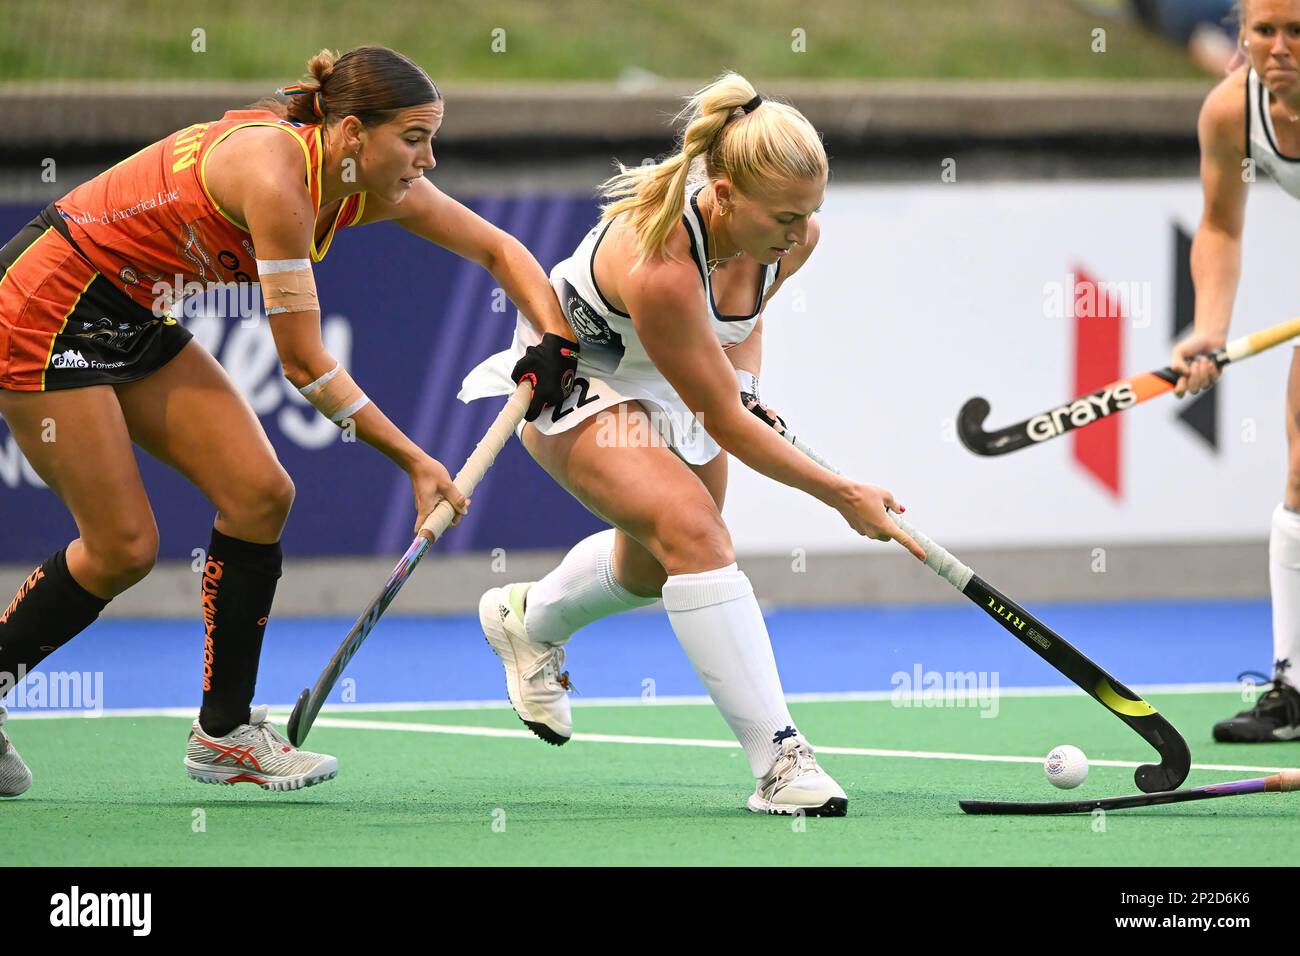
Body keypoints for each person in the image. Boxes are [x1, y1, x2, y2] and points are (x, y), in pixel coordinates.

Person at [0, 45, 576, 797]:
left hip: (135, 307)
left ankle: (224, 734)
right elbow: (303, 365)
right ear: (350, 133)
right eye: (413, 138)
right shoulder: (276, 176)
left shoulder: (365, 180)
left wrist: (554, 336)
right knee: (123, 547)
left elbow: (498, 249)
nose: (428, 160)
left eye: (432, 138)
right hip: (44, 305)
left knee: (259, 494)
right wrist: (414, 460)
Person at [459, 72, 924, 816]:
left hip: (678, 367)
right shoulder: (662, 264)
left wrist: (745, 381)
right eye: (784, 216)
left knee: (652, 568)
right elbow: (729, 424)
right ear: (726, 193)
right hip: (581, 368)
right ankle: (780, 760)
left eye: (811, 213)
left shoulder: (788, 238)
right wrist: (843, 495)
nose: (800, 232)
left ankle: (528, 621)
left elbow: (742, 333)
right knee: (697, 531)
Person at [1171, 0, 1300, 742]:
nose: (1279, 47)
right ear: (1240, 32)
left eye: (1297, 31)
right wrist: (1210, 330)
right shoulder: (1231, 110)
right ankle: (1293, 691)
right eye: (1265, 30)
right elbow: (1220, 223)